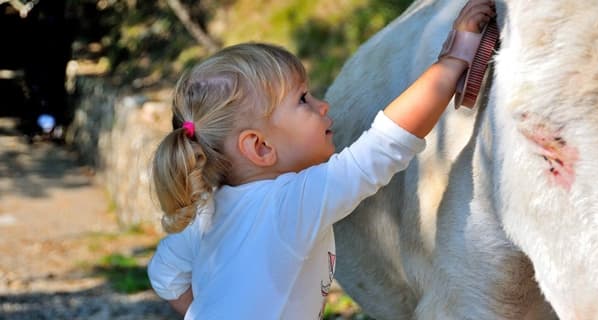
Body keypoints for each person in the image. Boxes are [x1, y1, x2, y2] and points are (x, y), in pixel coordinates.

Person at [147, 0, 496, 318]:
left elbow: (165, 275)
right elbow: (382, 147)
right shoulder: (290, 203)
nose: (322, 105)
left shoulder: (207, 210)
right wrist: (453, 61)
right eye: (303, 100)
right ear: (260, 148)